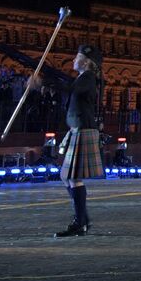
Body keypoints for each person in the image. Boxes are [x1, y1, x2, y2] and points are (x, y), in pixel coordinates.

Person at [39, 44, 106, 237]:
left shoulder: (88, 78)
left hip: (83, 130)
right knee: (65, 175)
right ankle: (82, 219)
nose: (73, 60)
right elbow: (67, 84)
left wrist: (42, 83)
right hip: (77, 129)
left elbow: (70, 88)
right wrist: (45, 80)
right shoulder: (83, 78)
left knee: (73, 177)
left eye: (77, 57)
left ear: (86, 62)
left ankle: (80, 222)